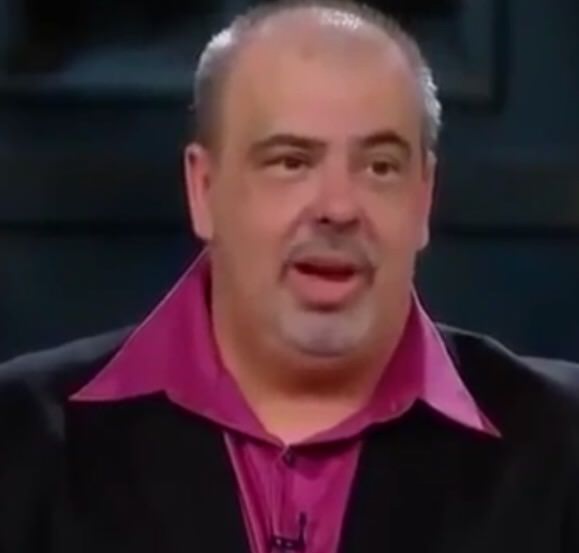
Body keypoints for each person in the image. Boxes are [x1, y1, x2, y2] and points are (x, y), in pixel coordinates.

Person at [1, 1, 579, 552]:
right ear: (204, 189)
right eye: (291, 162)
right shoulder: (19, 437)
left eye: (380, 167)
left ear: (423, 196)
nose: (338, 207)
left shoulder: (561, 439)